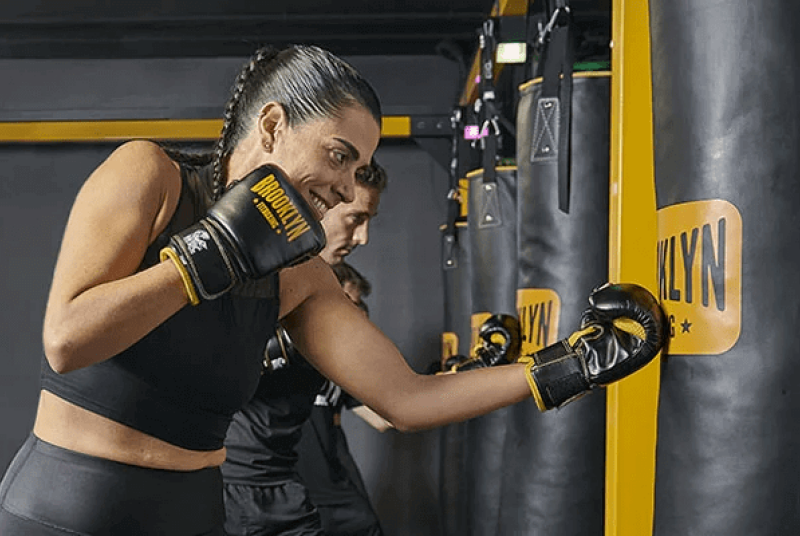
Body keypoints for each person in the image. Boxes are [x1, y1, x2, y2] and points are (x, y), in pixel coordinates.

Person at [0, 42, 667, 535]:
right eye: (340, 156)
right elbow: (66, 340)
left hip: (194, 517)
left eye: (360, 168)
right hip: (68, 508)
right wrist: (210, 255)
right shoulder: (151, 176)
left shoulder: (300, 276)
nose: (348, 189)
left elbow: (405, 399)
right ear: (272, 126)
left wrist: (572, 364)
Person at [221, 163, 387, 536]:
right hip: (234, 490)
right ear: (322, 204)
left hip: (287, 491)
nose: (363, 237)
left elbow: (400, 406)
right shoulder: (246, 276)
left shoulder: (327, 299)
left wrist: (516, 375)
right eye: (356, 219)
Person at [295, 262, 388, 536]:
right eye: (349, 303)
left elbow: (383, 419)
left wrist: (447, 379)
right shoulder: (287, 355)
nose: (356, 313)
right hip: (295, 491)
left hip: (337, 490)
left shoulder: (342, 367)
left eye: (358, 306)